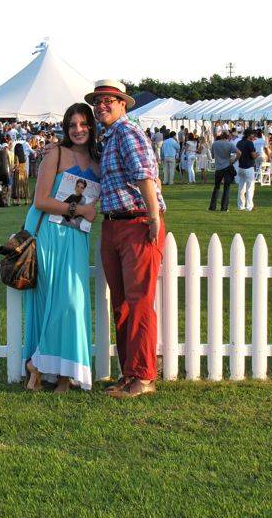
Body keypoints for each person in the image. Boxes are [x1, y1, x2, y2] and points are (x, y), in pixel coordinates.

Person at [84, 79, 166, 399]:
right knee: (122, 305)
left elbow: (145, 175)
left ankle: (143, 377)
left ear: (122, 104)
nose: (101, 106)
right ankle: (129, 373)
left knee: (139, 303)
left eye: (108, 100)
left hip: (136, 222)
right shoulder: (109, 137)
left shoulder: (127, 132)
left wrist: (153, 217)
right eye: (97, 101)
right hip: (114, 224)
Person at [23, 103, 100, 393]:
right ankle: (44, 370)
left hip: (76, 236)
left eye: (83, 124)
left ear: (91, 126)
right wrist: (80, 210)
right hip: (48, 233)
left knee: (71, 301)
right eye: (72, 125)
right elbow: (40, 200)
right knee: (50, 302)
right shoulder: (55, 153)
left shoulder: (99, 160)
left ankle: (58, 372)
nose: (78, 130)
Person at [209, 132, 241, 212]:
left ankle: (212, 207)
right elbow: (239, 153)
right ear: (228, 137)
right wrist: (233, 160)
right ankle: (224, 207)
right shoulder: (230, 144)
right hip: (227, 166)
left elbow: (212, 156)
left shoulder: (215, 143)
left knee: (216, 187)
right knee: (226, 188)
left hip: (218, 167)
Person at [236, 129, 258, 211]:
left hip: (241, 167)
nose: (254, 137)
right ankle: (249, 206)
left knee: (241, 187)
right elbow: (253, 156)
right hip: (249, 167)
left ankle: (240, 206)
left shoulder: (239, 143)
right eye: (253, 135)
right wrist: (257, 154)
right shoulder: (250, 143)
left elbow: (237, 154)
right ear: (249, 135)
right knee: (250, 188)